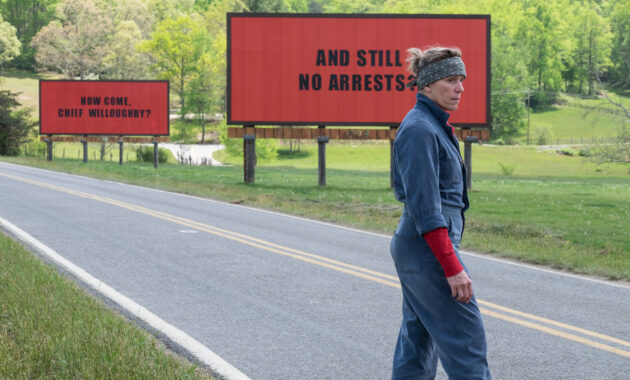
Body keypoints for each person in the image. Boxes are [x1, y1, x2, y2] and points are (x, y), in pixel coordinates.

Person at [390, 46, 491, 379]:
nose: (460, 87)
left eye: (461, 79)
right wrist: (452, 267)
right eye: (451, 80)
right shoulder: (420, 130)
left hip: (423, 247)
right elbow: (426, 209)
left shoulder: (431, 125)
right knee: (466, 342)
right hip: (427, 248)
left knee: (418, 342)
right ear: (427, 86)